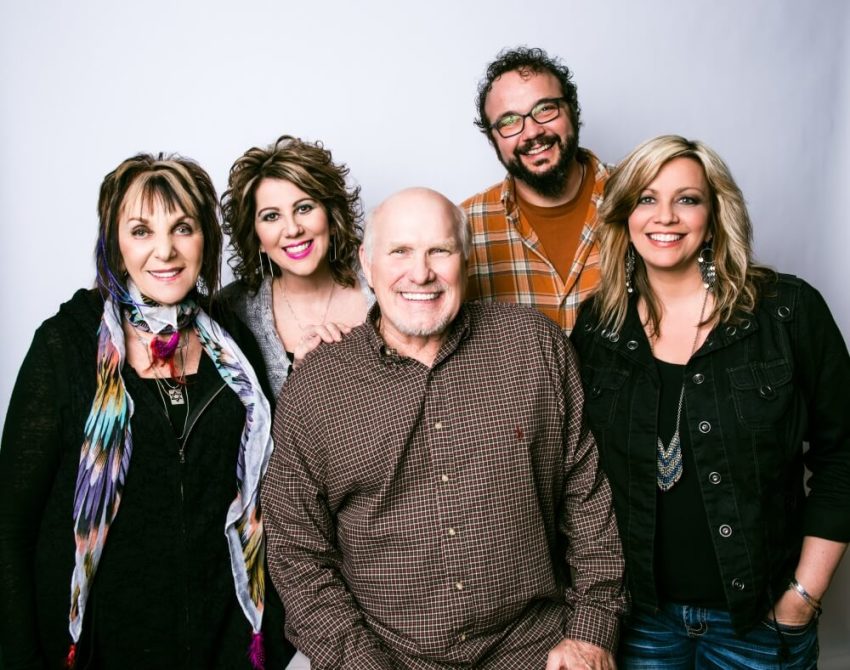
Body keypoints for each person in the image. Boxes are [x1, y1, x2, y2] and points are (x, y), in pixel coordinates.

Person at [262, 187, 627, 669]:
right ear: (367, 265)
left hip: (535, 651)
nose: (421, 273)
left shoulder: (533, 347)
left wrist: (591, 632)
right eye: (400, 252)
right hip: (387, 656)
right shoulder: (317, 387)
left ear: (467, 260)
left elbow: (588, 500)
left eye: (439, 250)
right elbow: (297, 552)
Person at [0, 154, 294, 669]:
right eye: (141, 230)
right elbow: (9, 529)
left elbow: (272, 505)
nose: (166, 251)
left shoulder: (235, 351)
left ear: (205, 239)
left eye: (183, 228)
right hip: (91, 654)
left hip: (218, 653)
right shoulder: (64, 347)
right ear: (114, 244)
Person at [570, 135, 850, 668]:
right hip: (639, 623)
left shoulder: (788, 313)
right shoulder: (598, 328)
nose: (665, 217)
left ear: (715, 211)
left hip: (759, 623)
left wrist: (802, 598)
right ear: (624, 216)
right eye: (646, 199)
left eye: (687, 199)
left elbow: (844, 455)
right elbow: (575, 476)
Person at [461, 46, 609, 333]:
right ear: (493, 139)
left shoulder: (642, 197)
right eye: (509, 121)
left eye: (545, 109)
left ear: (572, 111)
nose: (531, 132)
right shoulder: (463, 226)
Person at [220, 135, 372, 397]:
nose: (292, 229)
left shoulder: (383, 283)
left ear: (331, 216)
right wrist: (302, 375)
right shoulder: (232, 312)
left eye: (304, 208)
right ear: (256, 238)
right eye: (271, 216)